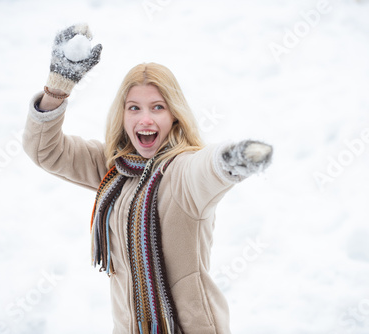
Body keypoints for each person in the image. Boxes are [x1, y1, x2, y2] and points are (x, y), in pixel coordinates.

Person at [23, 23, 273, 334]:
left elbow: (205, 169)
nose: (145, 119)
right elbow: (45, 150)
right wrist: (57, 88)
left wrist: (233, 158)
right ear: (122, 115)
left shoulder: (180, 173)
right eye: (134, 108)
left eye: (158, 107)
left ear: (174, 115)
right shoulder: (112, 170)